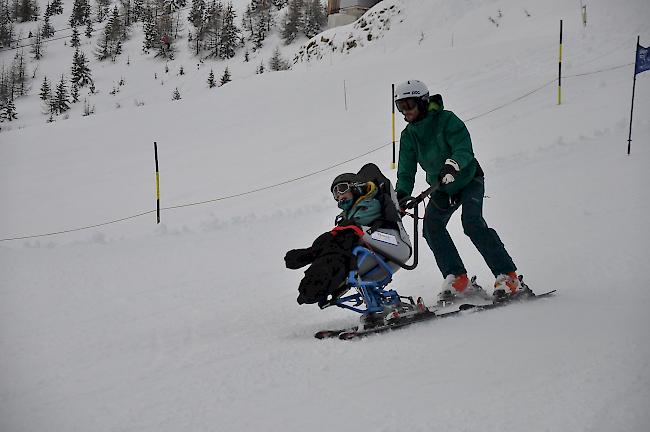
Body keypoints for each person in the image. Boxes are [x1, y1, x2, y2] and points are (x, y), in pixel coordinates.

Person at [393, 79, 522, 302]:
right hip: (442, 187)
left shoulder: (447, 120)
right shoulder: (408, 135)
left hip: (469, 178)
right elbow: (406, 171)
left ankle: (508, 276)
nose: (406, 112)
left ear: (423, 102)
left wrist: (453, 164)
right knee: (432, 227)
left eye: (410, 105)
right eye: (401, 107)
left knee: (472, 223)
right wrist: (402, 194)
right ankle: (457, 277)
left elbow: (464, 148)